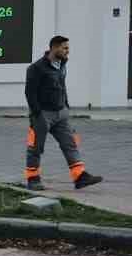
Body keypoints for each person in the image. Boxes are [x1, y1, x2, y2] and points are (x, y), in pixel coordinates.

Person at [24, 35, 102, 191]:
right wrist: (37, 114)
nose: (68, 51)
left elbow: (61, 86)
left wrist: (65, 106)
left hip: (61, 114)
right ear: (54, 48)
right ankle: (33, 179)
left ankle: (79, 177)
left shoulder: (62, 65)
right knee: (36, 147)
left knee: (71, 144)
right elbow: (29, 93)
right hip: (43, 115)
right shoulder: (36, 68)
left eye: (68, 48)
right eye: (65, 48)